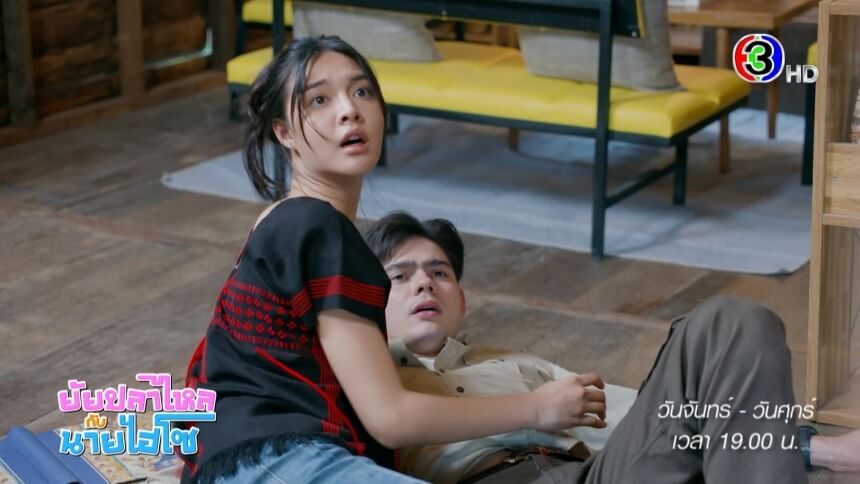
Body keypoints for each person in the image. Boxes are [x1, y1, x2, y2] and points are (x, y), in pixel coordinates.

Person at [178, 36, 610, 484]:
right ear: (283, 132)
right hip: (280, 460)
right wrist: (538, 407)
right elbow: (389, 417)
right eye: (319, 100)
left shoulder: (277, 221)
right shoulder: (313, 223)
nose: (349, 110)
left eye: (362, 91)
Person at [364, 212, 860, 484]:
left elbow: (637, 416)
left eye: (439, 273)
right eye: (400, 277)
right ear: (368, 299)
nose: (424, 283)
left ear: (461, 300)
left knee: (733, 321)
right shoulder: (368, 374)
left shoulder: (517, 365)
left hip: (594, 474)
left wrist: (813, 448)